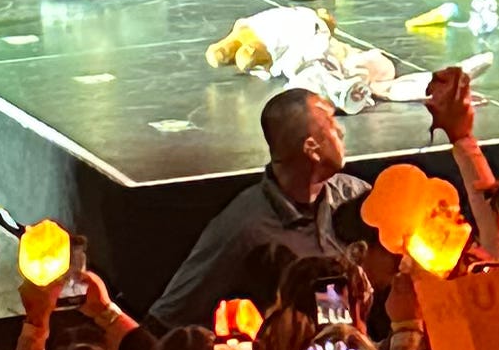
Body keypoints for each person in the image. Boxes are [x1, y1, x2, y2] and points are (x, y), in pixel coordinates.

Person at [150, 89, 366, 327]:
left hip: (351, 344)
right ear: (311, 148)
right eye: (331, 123)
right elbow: (166, 317)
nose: (341, 131)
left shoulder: (355, 196)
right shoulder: (243, 228)